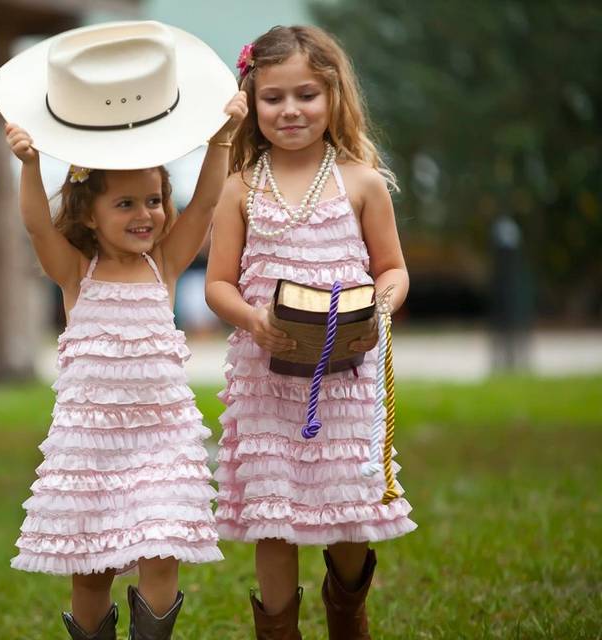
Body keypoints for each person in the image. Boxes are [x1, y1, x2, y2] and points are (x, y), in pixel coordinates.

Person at [0, 20, 244, 640]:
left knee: (162, 553)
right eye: (125, 204)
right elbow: (36, 228)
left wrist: (222, 141)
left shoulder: (166, 265)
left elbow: (207, 204)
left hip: (160, 441)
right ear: (90, 212)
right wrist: (30, 164)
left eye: (153, 201)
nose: (144, 215)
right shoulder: (79, 273)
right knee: (92, 571)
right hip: (92, 448)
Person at [205, 26, 417, 639]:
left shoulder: (361, 182)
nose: (291, 110)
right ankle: (278, 629)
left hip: (344, 377)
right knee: (274, 516)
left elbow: (393, 268)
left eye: (306, 95)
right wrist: (251, 318)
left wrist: (380, 304)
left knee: (346, 515)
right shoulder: (240, 188)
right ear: (252, 102)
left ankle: (347, 612)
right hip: (265, 377)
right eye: (273, 98)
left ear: (333, 96)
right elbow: (219, 283)